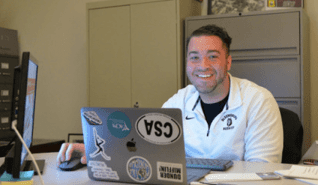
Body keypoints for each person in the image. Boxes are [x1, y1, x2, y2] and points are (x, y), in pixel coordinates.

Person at [56, 24, 283, 167]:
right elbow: (142, 143)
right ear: (187, 63)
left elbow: (262, 173)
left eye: (212, 56)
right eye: (194, 57)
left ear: (228, 61)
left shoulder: (258, 101)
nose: (202, 66)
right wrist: (95, 149)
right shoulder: (179, 101)